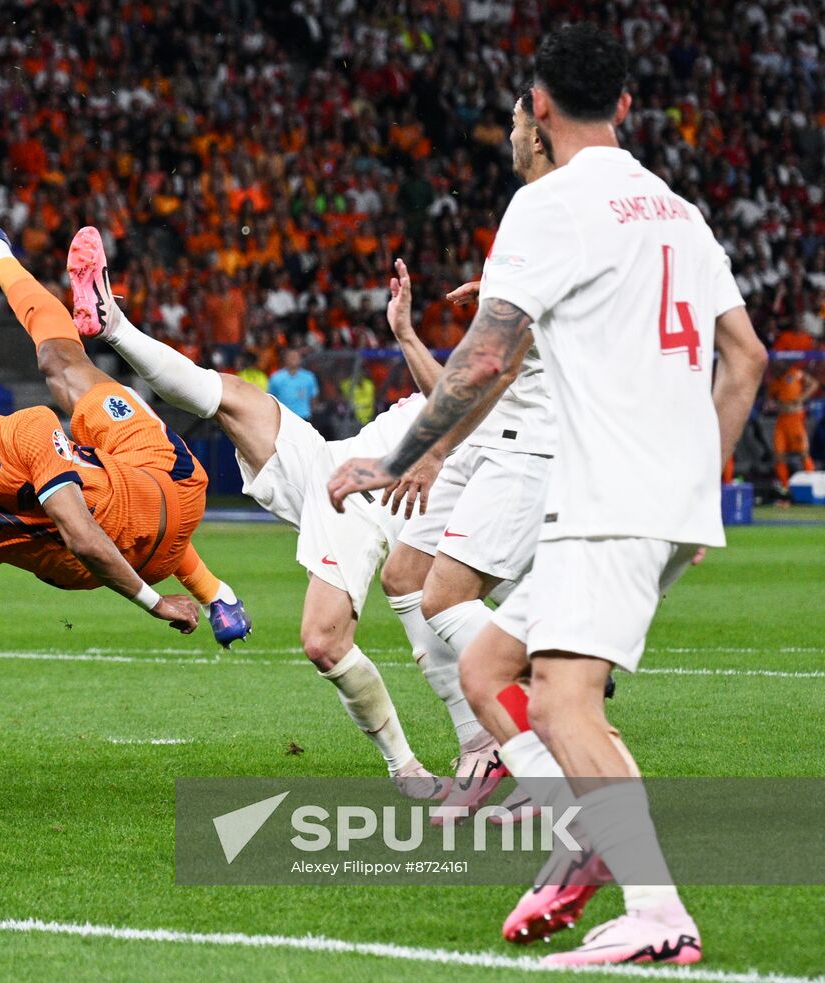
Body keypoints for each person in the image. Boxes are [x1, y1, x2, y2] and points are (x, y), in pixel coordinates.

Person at [328, 24, 766, 967]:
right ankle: (596, 849)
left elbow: (484, 355)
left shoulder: (549, 203)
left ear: (536, 109)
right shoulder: (680, 211)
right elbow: (747, 358)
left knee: (565, 706)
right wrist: (702, 490)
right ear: (625, 106)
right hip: (650, 498)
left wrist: (393, 454)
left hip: (605, 495)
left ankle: (653, 905)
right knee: (489, 668)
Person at [68, 226, 520, 799]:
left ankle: (415, 764)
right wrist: (406, 333)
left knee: (325, 640)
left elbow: (459, 408)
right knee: (230, 396)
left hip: (368, 490)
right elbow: (448, 395)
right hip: (341, 458)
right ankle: (111, 323)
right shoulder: (502, 361)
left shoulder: (516, 399)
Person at [0, 199, 252, 828]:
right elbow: (82, 533)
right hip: (173, 488)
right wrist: (154, 601)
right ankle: (22, 272)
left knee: (93, 484)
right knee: (65, 367)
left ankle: (214, 589)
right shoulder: (27, 426)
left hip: (129, 559)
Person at [378, 90, 560, 818]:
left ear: (539, 128)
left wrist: (430, 447)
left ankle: (547, 734)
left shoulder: (551, 210)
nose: (507, 134)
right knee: (405, 572)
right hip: (493, 430)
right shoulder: (536, 214)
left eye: (515, 121)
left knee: (447, 596)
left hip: (527, 435)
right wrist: (411, 335)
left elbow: (497, 361)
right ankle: (484, 744)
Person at [767, 360, 818, 490]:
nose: (775, 366)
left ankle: (812, 483)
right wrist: (772, 405)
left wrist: (801, 398)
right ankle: (785, 487)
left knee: (803, 452)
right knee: (778, 454)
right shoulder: (773, 382)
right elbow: (770, 400)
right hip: (782, 419)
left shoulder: (795, 373)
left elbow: (814, 384)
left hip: (796, 417)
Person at [268, 349, 319, 421]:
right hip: (284, 418)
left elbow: (313, 397)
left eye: (296, 357)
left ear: (300, 359)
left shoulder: (309, 377)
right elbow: (272, 397)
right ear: (285, 359)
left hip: (303, 416)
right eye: (291, 357)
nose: (293, 359)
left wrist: (311, 412)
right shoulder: (276, 377)